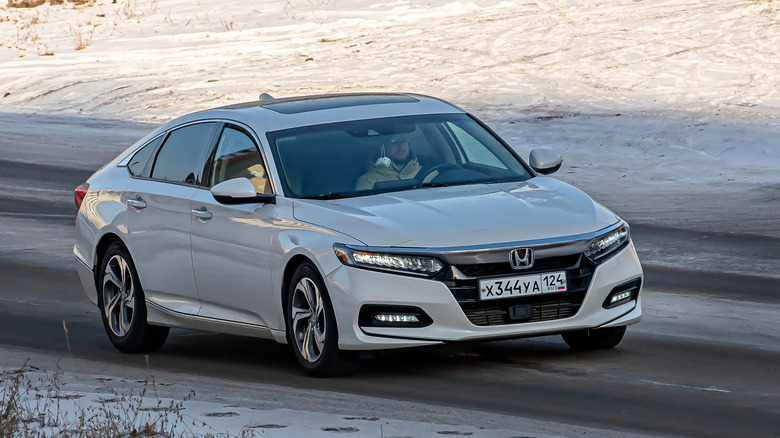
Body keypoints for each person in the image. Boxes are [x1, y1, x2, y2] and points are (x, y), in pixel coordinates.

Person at [355, 135, 421, 191]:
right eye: (394, 142)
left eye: (403, 141)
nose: (401, 147)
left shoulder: (425, 173)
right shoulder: (367, 181)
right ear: (382, 148)